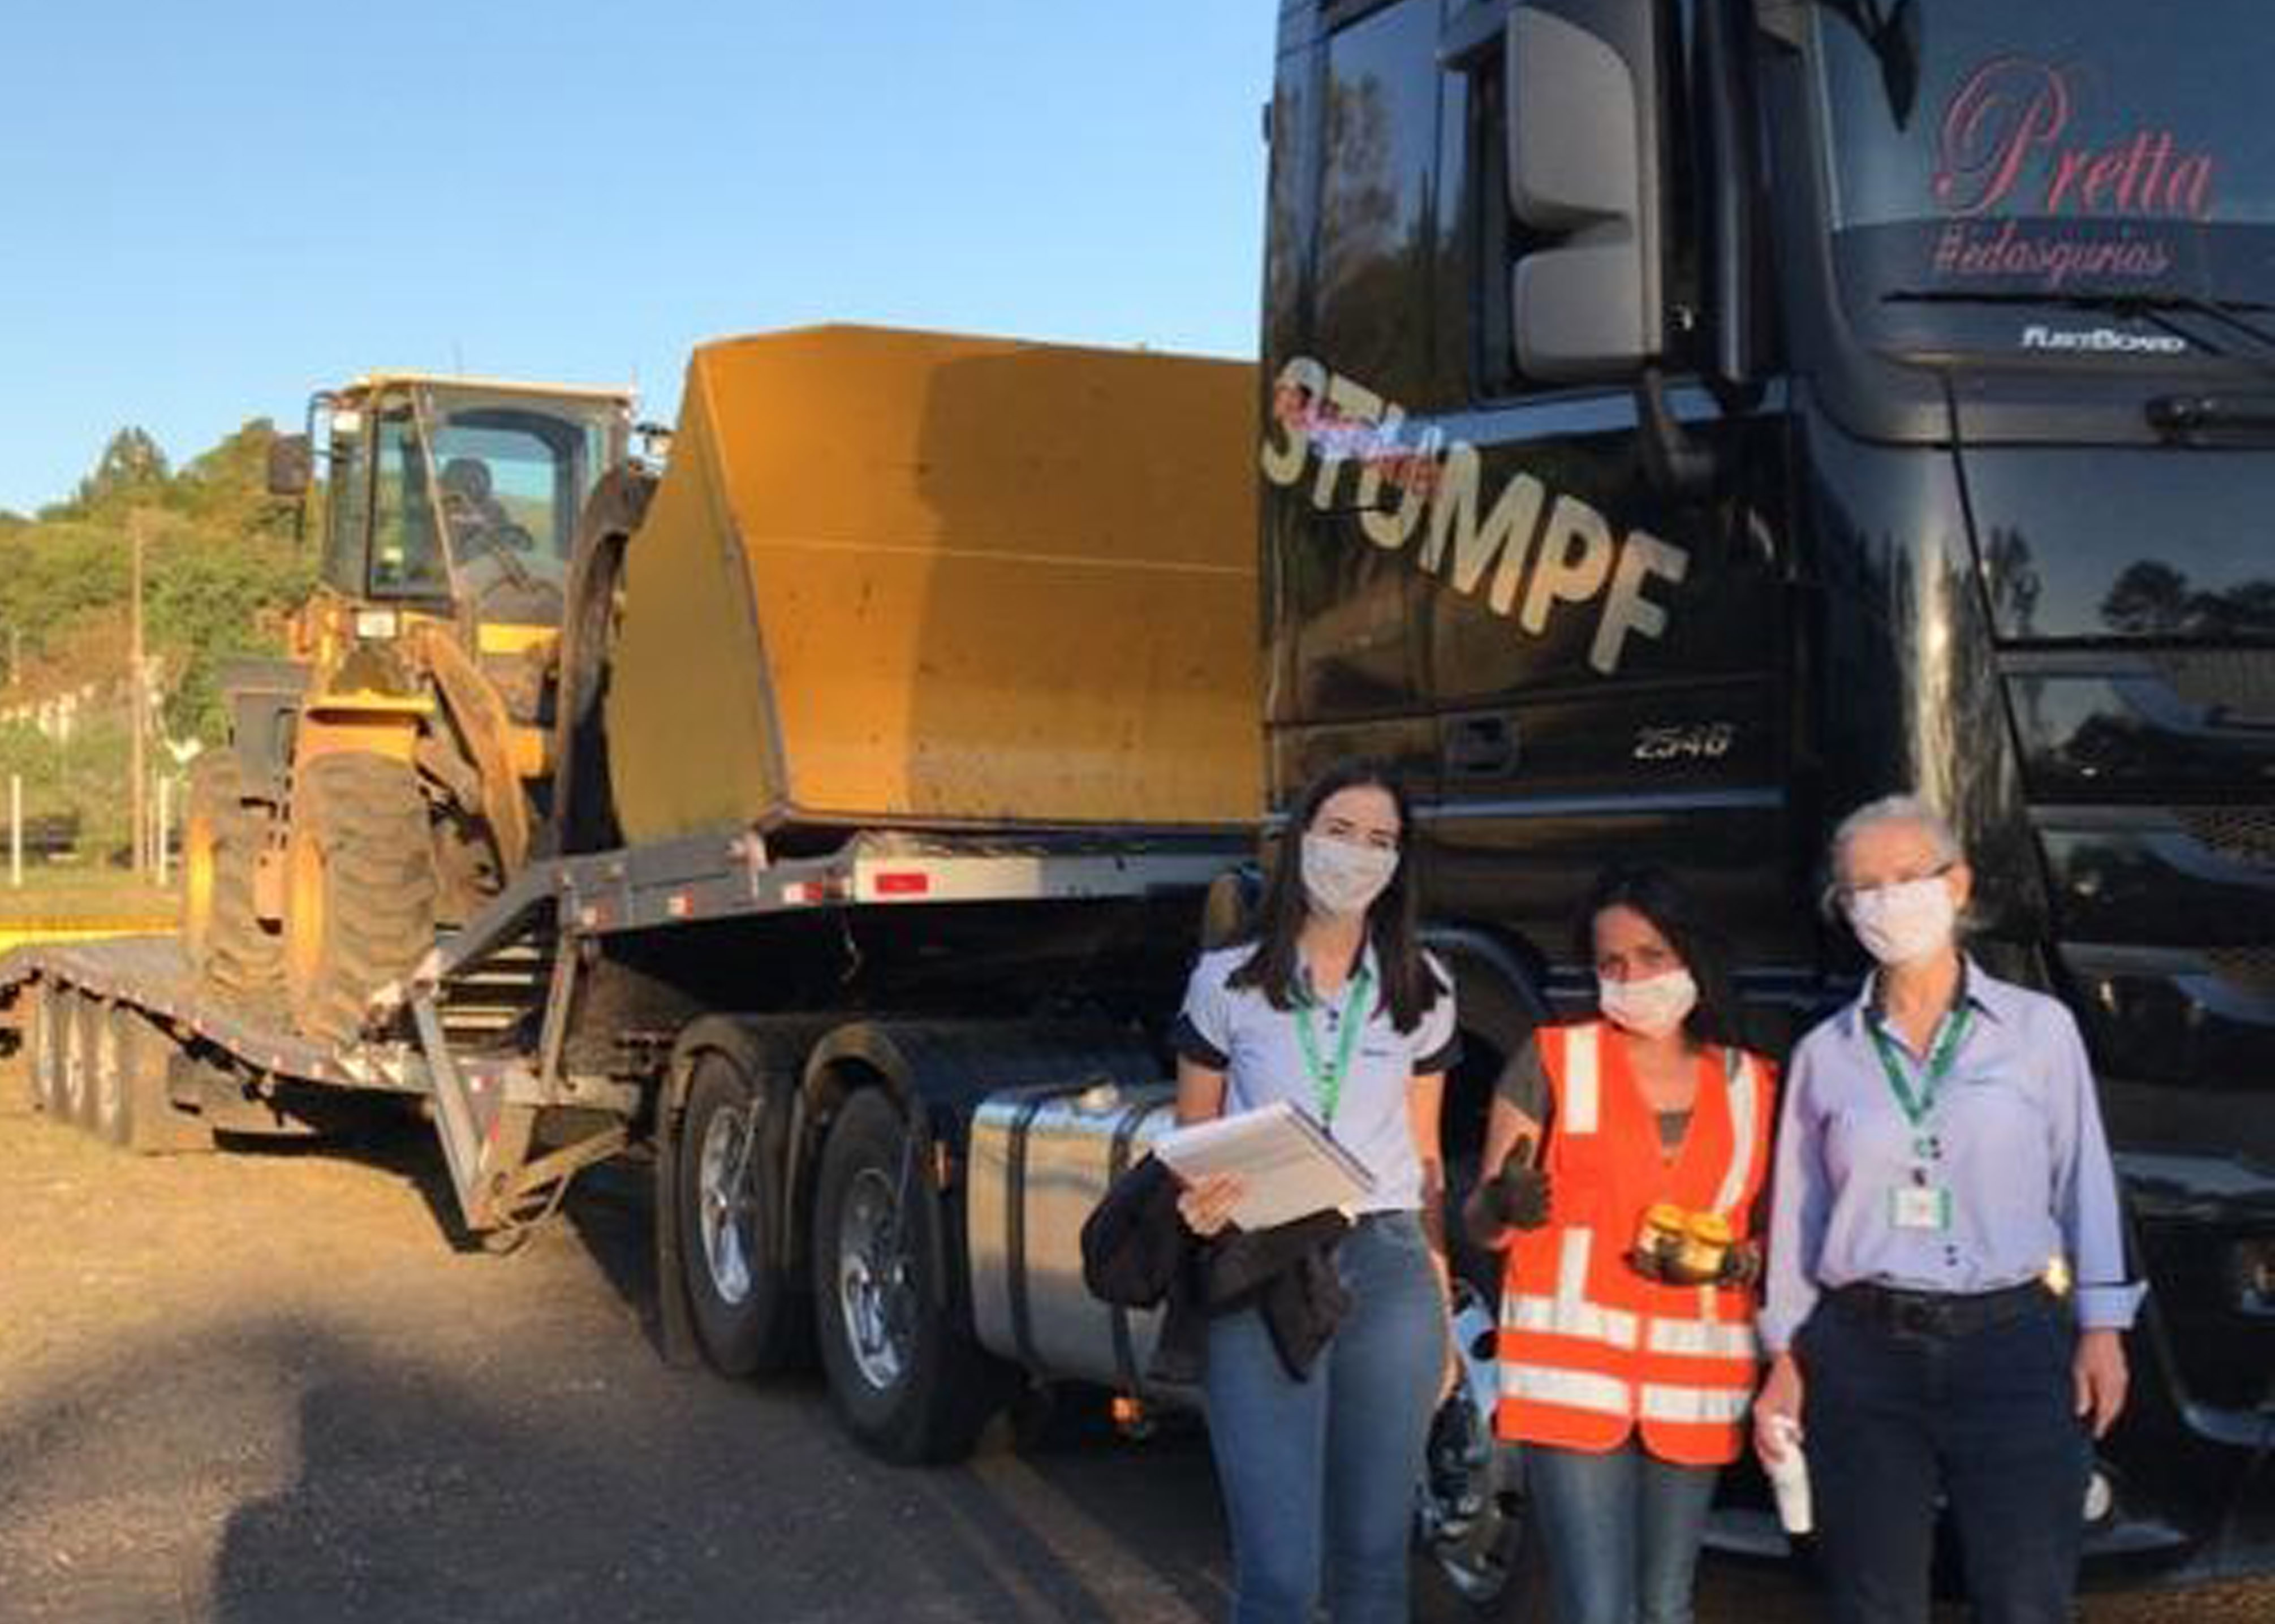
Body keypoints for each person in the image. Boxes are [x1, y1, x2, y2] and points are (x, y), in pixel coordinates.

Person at [1755, 794, 2142, 1624]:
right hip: (1861, 1353)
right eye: (1861, 888)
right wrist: (1785, 1353)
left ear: (1956, 885)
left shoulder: (2038, 1032)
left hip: (2010, 1344)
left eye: (1904, 878)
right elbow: (1798, 1215)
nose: (1884, 902)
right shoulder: (1826, 1054)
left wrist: (2102, 1326)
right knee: (1871, 1602)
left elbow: (2083, 1179)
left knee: (2024, 1598)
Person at [1171, 758, 1460, 1624]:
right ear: (1299, 840)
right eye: (1339, 832)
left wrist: (1439, 1297)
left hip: (1389, 1262)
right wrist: (1197, 1203)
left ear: (1398, 863)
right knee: (1280, 1578)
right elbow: (1190, 1140)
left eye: (1380, 841)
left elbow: (1426, 1152)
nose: (1357, 854)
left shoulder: (1425, 988)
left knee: (1374, 1567)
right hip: (1264, 1260)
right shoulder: (1227, 982)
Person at [1468, 864, 1777, 1624]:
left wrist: (1740, 1260)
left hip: (1695, 1381)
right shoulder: (1552, 1060)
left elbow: (1774, 1236)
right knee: (1598, 1609)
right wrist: (1504, 1203)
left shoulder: (1753, 1083)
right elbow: (1484, 1219)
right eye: (1610, 963)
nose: (1630, 976)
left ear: (1693, 958)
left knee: (1665, 1603)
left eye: (1651, 956)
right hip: (1571, 1374)